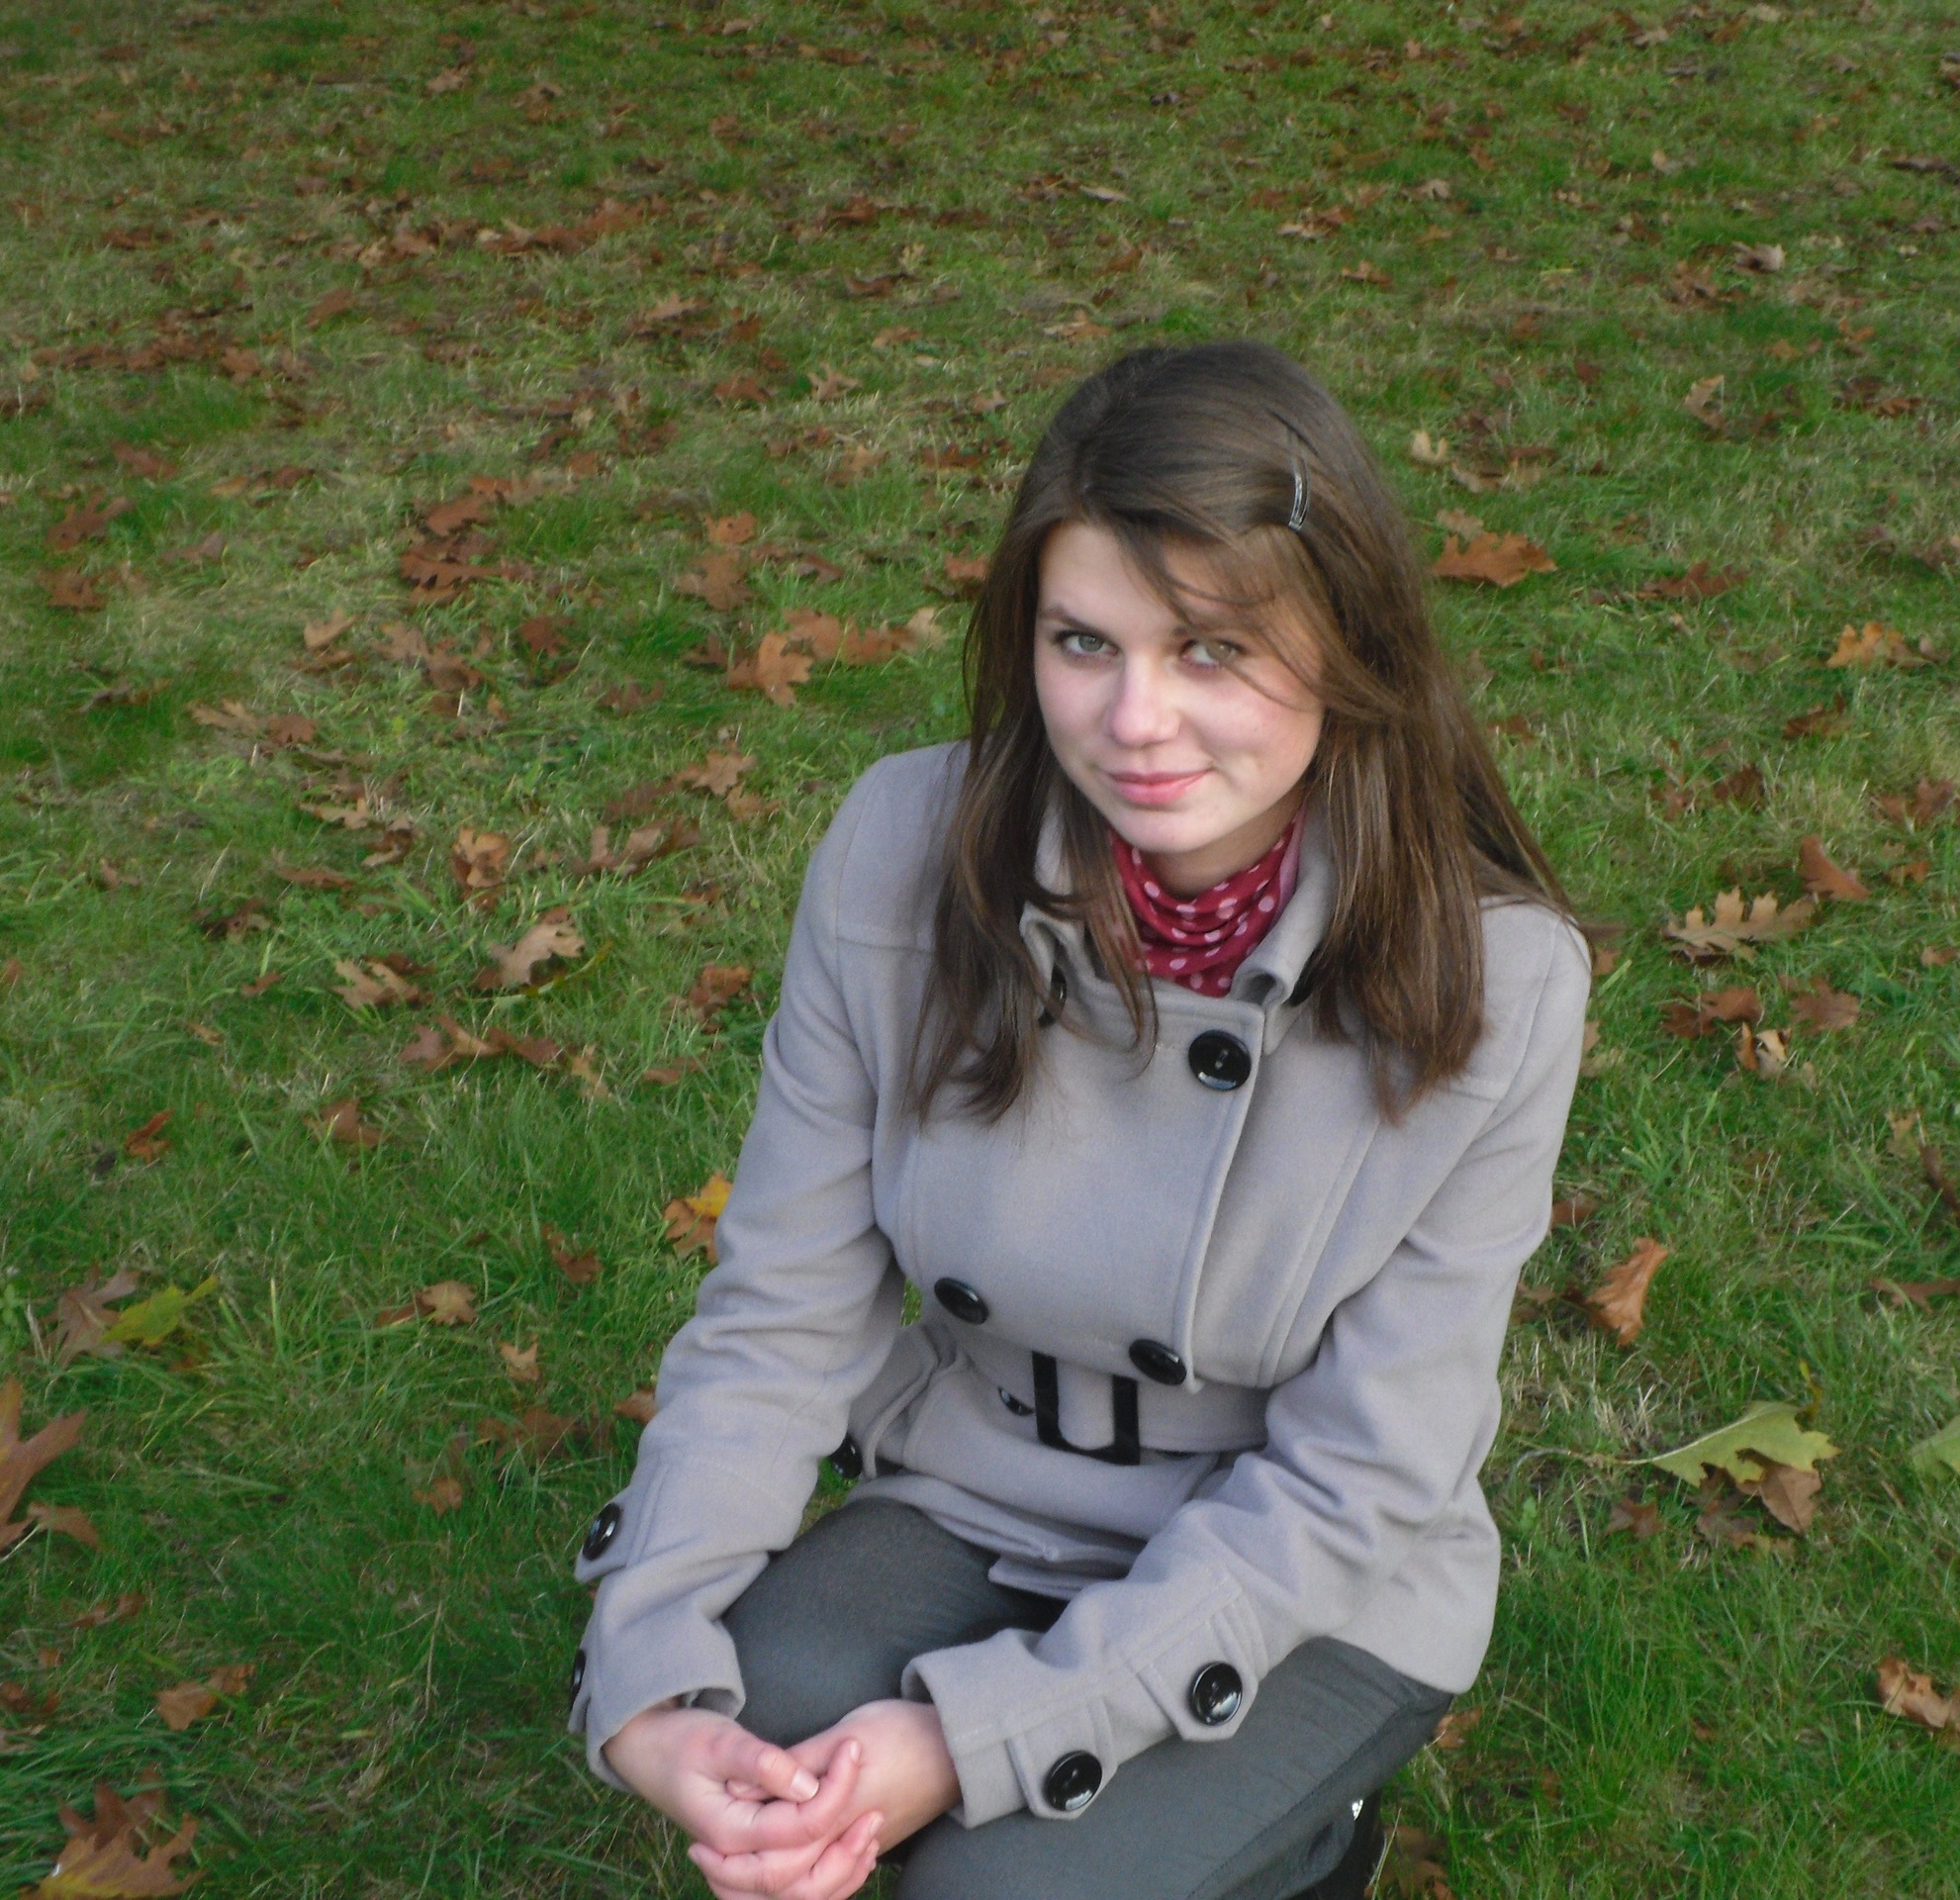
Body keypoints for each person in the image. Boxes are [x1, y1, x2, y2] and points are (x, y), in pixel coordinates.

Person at [567, 339, 1590, 1900]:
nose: (1136, 719)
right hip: (986, 1485)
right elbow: (781, 1309)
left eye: (1213, 651)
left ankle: (1307, 1844)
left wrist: (973, 1740)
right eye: (1083, 643)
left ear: (1345, 641)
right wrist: (647, 1667)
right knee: (763, 1721)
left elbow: (1358, 1482)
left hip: (1310, 1573)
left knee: (992, 1884)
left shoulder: (1493, 978)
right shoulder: (901, 852)